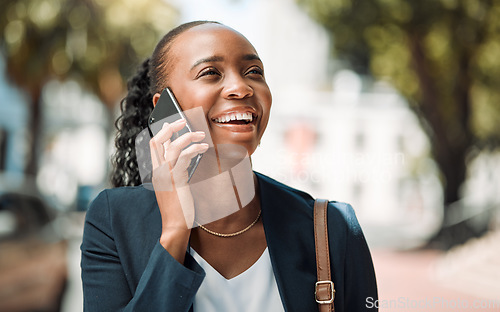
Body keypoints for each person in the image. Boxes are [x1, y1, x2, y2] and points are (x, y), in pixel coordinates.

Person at [80, 20, 378, 312]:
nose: (241, 87)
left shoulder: (331, 227)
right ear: (166, 108)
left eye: (254, 72)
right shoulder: (112, 220)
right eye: (210, 73)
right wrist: (174, 232)